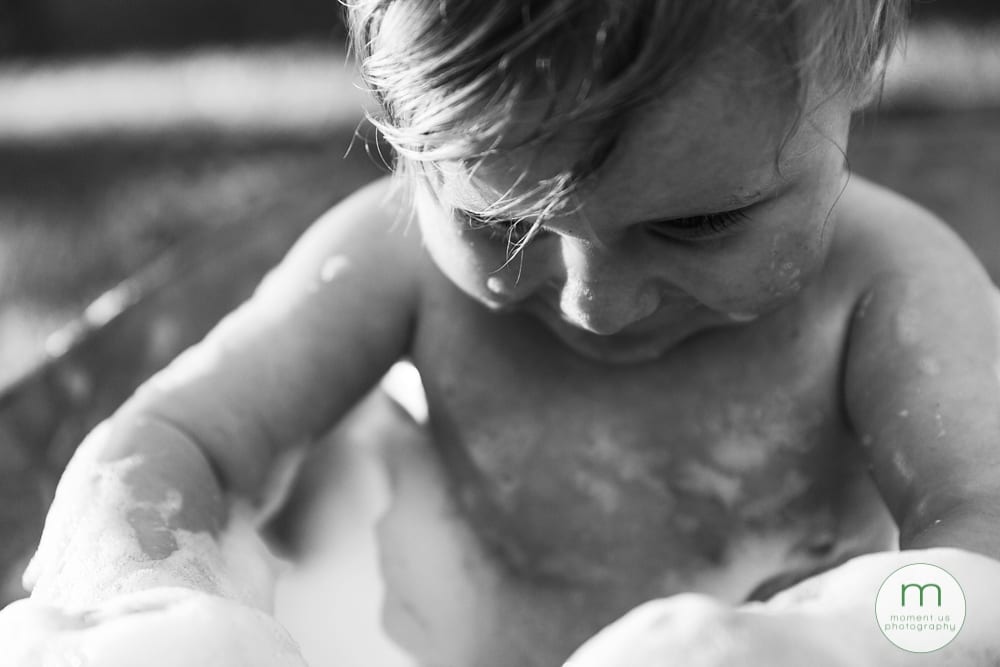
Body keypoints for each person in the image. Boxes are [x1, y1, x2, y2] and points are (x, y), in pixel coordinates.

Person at [5, 0, 1000, 665]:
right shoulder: (387, 261)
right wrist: (150, 604)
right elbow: (171, 439)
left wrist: (822, 641)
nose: (591, 303)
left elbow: (984, 546)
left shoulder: (888, 289)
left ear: (860, 75)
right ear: (402, 127)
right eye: (499, 225)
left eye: (696, 224)